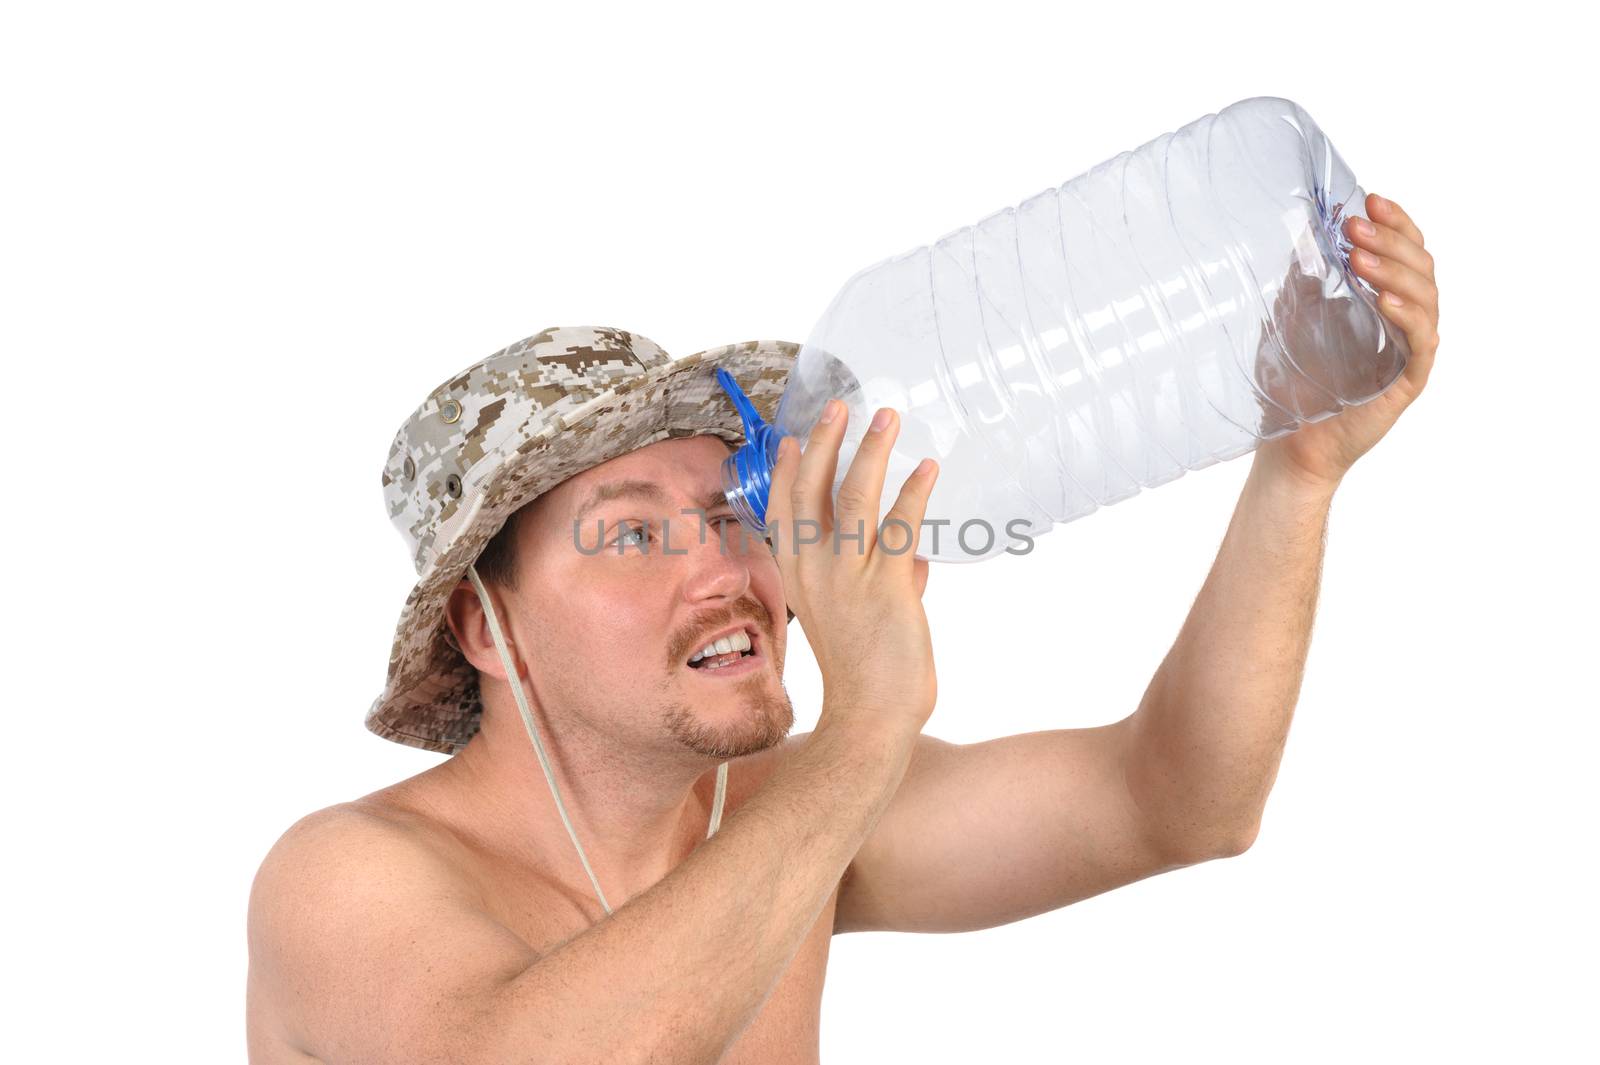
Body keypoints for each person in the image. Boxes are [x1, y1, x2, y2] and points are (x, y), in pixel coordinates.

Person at [247, 194, 1440, 1064]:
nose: (724, 567)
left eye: (730, 513)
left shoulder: (771, 819)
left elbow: (1177, 801)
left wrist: (1298, 474)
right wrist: (869, 722)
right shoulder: (346, 880)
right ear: (484, 629)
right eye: (629, 534)